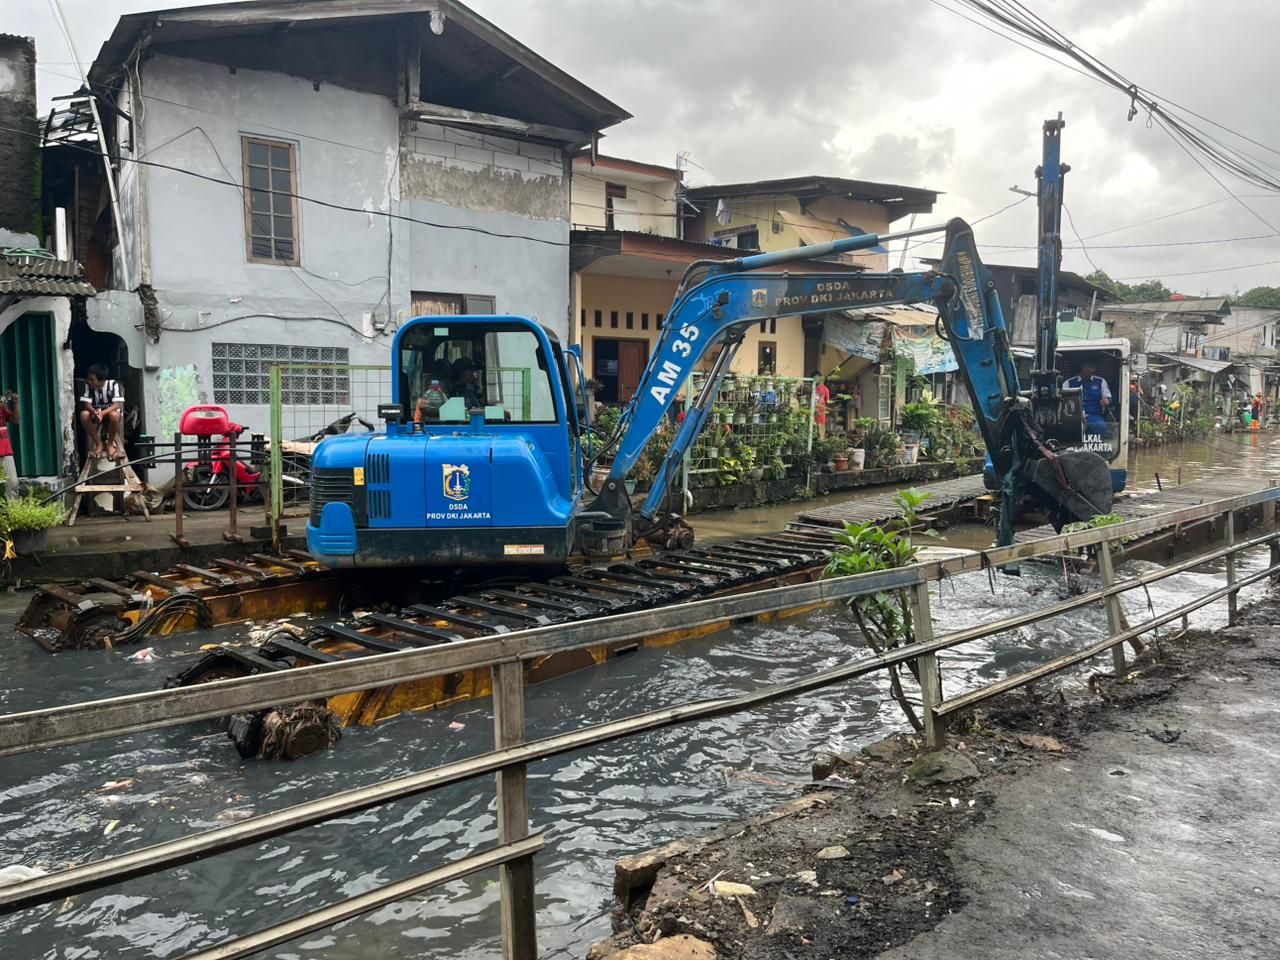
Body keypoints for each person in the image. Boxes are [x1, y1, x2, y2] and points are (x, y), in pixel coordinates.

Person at [79, 363, 125, 459]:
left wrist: (103, 413)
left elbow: (117, 404)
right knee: (84, 414)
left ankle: (110, 444)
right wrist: (94, 411)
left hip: (109, 415)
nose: (89, 381)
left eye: (92, 380)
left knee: (115, 415)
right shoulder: (88, 385)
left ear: (102, 380)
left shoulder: (113, 384)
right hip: (95, 416)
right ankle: (98, 443)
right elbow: (86, 404)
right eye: (89, 379)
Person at [1064, 361, 1110, 433]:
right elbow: (1063, 401)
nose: (1089, 369)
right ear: (1081, 366)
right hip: (1073, 417)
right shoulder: (1069, 383)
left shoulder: (1100, 381)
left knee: (1101, 426)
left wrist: (1106, 401)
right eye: (1087, 366)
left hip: (1094, 417)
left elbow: (1107, 398)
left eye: (1092, 367)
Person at [0, 389, 18, 498]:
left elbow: (15, 420)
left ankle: (15, 513)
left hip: (5, 450)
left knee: (13, 484)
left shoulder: (2, 406)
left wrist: (15, 403)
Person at [812, 371, 831, 438]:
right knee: (812, 434)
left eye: (817, 377)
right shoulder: (811, 388)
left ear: (820, 378)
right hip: (811, 415)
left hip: (821, 416)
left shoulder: (825, 389)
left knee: (821, 435)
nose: (816, 379)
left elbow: (827, 403)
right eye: (814, 377)